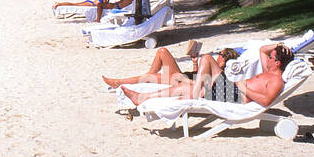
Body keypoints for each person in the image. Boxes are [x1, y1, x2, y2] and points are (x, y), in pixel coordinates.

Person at [106, 43, 294, 109]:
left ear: (277, 63)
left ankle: (195, 94)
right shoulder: (267, 71)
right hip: (230, 89)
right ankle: (141, 97)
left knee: (206, 59)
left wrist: (244, 88)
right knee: (180, 87)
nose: (267, 58)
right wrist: (279, 45)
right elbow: (262, 49)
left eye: (271, 57)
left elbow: (267, 101)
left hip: (237, 95)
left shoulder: (276, 80)